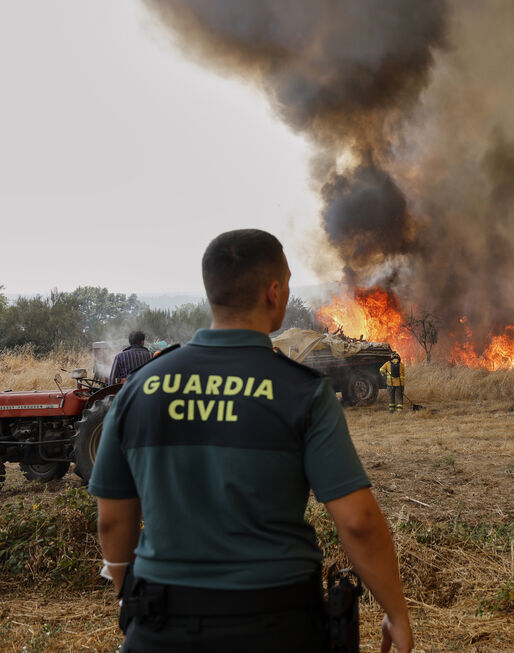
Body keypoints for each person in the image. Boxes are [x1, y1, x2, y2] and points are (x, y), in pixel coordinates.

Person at [87, 229, 413, 653]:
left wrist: (128, 596)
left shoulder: (139, 388)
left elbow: (111, 521)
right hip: (280, 624)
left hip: (161, 623)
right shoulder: (303, 392)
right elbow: (358, 522)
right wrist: (396, 613)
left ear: (211, 292)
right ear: (274, 293)